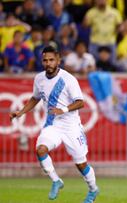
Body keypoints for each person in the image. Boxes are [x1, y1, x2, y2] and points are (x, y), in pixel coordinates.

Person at [9, 46, 99, 203]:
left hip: (71, 127)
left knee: (81, 164)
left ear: (58, 61)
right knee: (41, 150)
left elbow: (80, 103)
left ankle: (93, 190)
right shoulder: (39, 79)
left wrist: (62, 110)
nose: (48, 63)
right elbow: (35, 98)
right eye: (45, 60)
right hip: (52, 125)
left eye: (51, 60)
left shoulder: (68, 79)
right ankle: (56, 181)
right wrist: (21, 112)